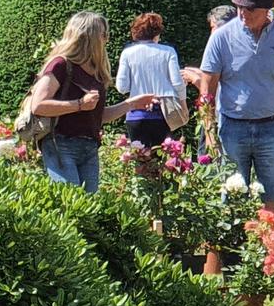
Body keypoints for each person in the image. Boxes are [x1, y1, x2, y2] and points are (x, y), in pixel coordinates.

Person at [195, 0, 274, 211]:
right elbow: (207, 89)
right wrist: (209, 131)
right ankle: (222, 248)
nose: (242, 13)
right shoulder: (221, 37)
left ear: (267, 8)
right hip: (231, 128)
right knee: (227, 199)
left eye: (250, 8)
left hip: (273, 128)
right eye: (239, 6)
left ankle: (273, 247)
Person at [31, 10, 145, 188]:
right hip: (61, 144)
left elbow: (98, 116)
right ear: (88, 36)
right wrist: (79, 104)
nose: (106, 40)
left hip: (89, 147)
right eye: (103, 34)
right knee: (71, 204)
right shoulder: (61, 64)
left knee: (89, 208)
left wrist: (132, 103)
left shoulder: (96, 72)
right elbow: (38, 105)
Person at [113, 12, 183, 149]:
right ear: (157, 32)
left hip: (136, 114)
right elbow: (177, 83)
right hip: (163, 115)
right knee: (164, 161)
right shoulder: (168, 51)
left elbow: (122, 87)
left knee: (141, 160)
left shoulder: (127, 53)